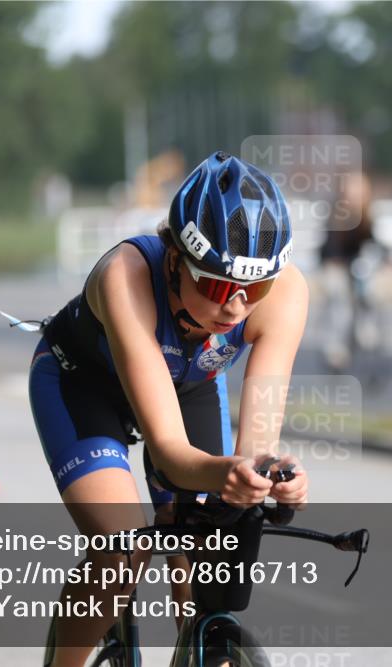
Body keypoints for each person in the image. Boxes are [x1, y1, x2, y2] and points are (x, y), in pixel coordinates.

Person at [29, 151, 309, 666]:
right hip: (83, 384)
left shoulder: (286, 293)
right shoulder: (126, 276)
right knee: (122, 549)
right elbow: (171, 454)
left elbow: (255, 450)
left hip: (186, 384)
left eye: (256, 288)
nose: (237, 307)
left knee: (206, 554)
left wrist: (271, 475)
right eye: (220, 285)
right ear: (176, 259)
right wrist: (229, 474)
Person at [318, 172, 385, 371]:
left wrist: (385, 257)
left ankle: (367, 330)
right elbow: (329, 244)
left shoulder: (368, 213)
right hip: (336, 262)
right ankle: (335, 349)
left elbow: (374, 241)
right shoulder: (335, 213)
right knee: (338, 301)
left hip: (358, 262)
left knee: (370, 291)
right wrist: (334, 260)